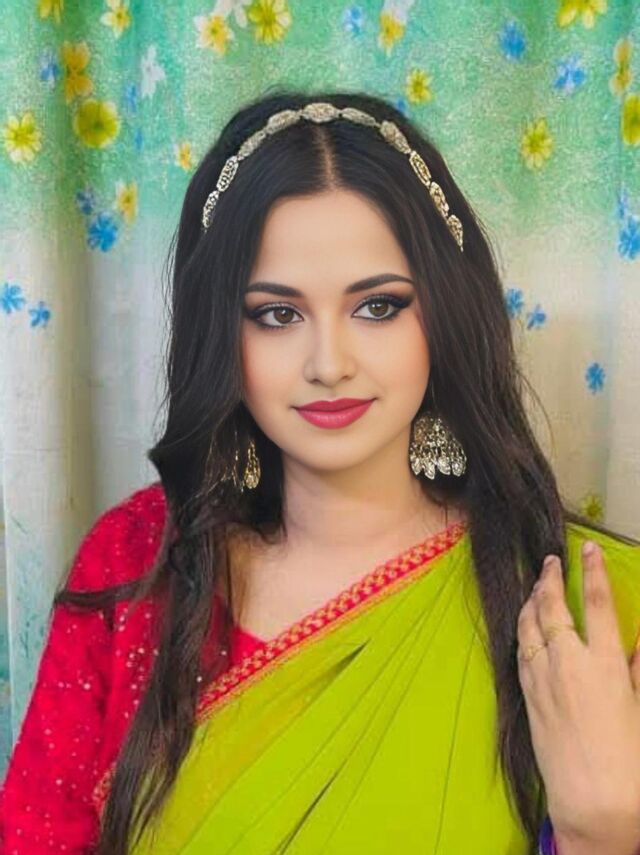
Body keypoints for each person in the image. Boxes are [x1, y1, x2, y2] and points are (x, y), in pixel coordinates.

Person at [1, 89, 639, 855]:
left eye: (378, 306)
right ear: (220, 333)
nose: (329, 363)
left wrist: (604, 831)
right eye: (277, 314)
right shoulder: (138, 564)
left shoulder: (584, 606)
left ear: (444, 314)